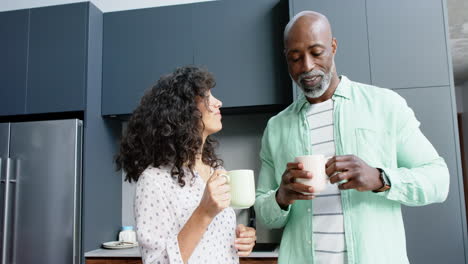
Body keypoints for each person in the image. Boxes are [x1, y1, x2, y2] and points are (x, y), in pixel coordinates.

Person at [254, 11, 449, 264]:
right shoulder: (277, 127)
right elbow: (263, 210)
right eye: (295, 58)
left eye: (316, 52)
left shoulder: (385, 105)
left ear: (333, 46)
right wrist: (281, 197)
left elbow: (439, 180)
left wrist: (381, 178)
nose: (307, 66)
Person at [116, 66, 256, 264]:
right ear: (183, 111)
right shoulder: (154, 181)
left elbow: (208, 244)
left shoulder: (217, 172)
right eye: (207, 96)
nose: (218, 103)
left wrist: (240, 238)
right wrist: (204, 213)